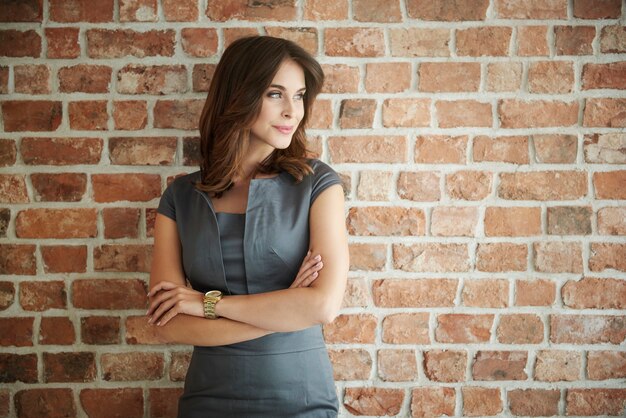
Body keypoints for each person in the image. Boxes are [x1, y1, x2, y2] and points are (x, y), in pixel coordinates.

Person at [146, 35, 349, 417]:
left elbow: (322, 306)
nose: (293, 111)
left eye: (300, 95)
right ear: (238, 95)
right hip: (208, 400)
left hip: (300, 399)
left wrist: (209, 304)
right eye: (275, 94)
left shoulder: (318, 183)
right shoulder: (180, 196)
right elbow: (168, 325)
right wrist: (286, 306)